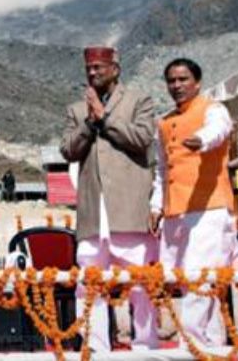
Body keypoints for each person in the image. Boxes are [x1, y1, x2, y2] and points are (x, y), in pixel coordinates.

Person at [60, 46, 158, 352]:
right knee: (89, 284)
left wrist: (105, 119)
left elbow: (142, 139)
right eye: (89, 69)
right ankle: (97, 348)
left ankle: (145, 347)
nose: (92, 73)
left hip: (128, 208)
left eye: (99, 68)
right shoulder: (77, 110)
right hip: (93, 213)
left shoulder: (138, 100)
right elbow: (68, 150)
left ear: (115, 69)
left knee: (141, 283)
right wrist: (89, 123)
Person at [150, 58, 237, 349]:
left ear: (197, 82)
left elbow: (219, 129)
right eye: (171, 81)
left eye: (183, 79)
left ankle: (191, 349)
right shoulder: (164, 123)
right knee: (193, 284)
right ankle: (212, 347)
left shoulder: (213, 109)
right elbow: (162, 170)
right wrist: (155, 206)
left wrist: (201, 139)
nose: (177, 86)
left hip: (209, 209)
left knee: (200, 280)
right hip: (175, 211)